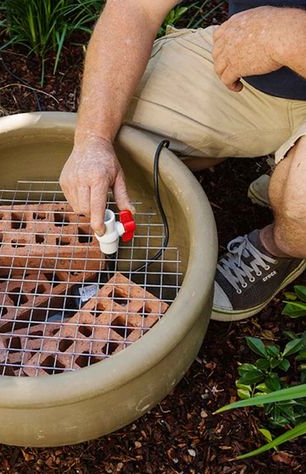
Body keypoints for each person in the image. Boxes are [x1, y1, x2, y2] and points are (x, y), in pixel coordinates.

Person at [59, 0, 306, 321]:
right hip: (249, 68)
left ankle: (281, 245)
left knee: (301, 199)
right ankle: (281, 166)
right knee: (116, 118)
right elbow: (135, 8)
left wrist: (288, 37)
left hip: (277, 41)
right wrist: (93, 139)